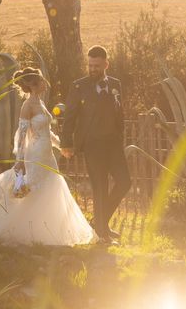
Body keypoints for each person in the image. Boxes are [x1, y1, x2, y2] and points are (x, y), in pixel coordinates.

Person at [0, 67, 96, 246]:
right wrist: (20, 160)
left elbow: (46, 131)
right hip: (35, 154)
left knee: (51, 187)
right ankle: (23, 229)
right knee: (33, 190)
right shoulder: (27, 106)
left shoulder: (40, 102)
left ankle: (48, 229)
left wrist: (62, 146)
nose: (45, 83)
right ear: (34, 84)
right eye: (42, 80)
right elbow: (21, 135)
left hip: (47, 154)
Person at [60, 45, 132, 243]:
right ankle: (102, 232)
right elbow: (69, 117)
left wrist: (120, 136)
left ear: (106, 64)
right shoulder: (78, 86)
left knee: (125, 182)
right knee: (99, 187)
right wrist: (67, 143)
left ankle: (99, 221)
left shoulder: (116, 84)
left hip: (113, 144)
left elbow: (120, 113)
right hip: (92, 145)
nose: (92, 69)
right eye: (90, 65)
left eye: (97, 66)